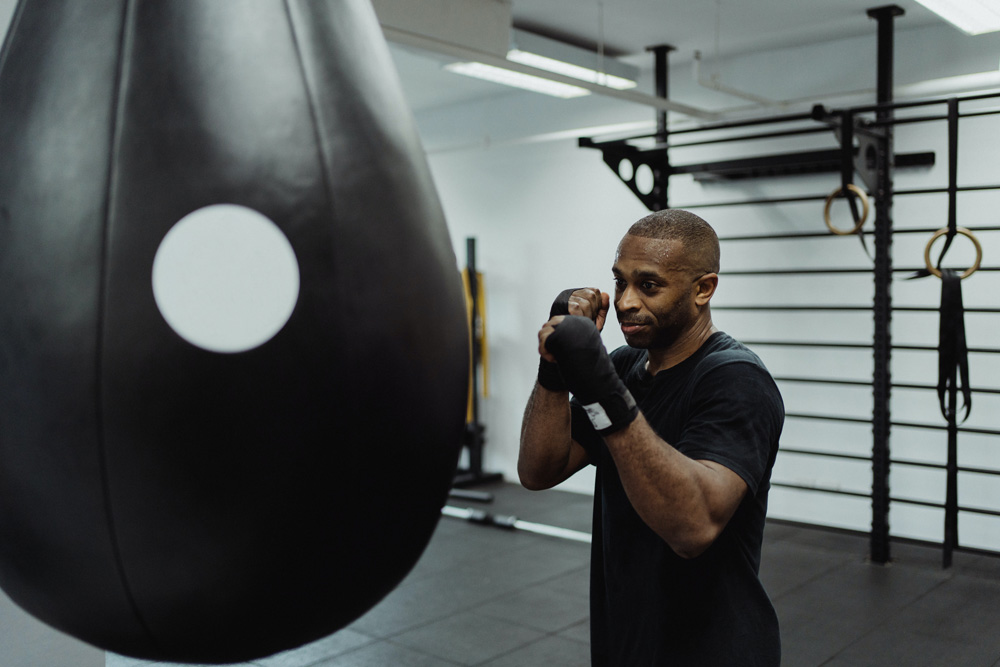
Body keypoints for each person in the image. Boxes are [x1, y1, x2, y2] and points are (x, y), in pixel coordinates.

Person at [518, 209, 783, 666]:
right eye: (619, 282)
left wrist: (606, 393)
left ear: (703, 289)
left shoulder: (736, 379)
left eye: (649, 285)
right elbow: (538, 470)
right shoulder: (624, 366)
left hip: (712, 651)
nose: (625, 302)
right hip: (626, 638)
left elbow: (693, 527)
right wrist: (554, 369)